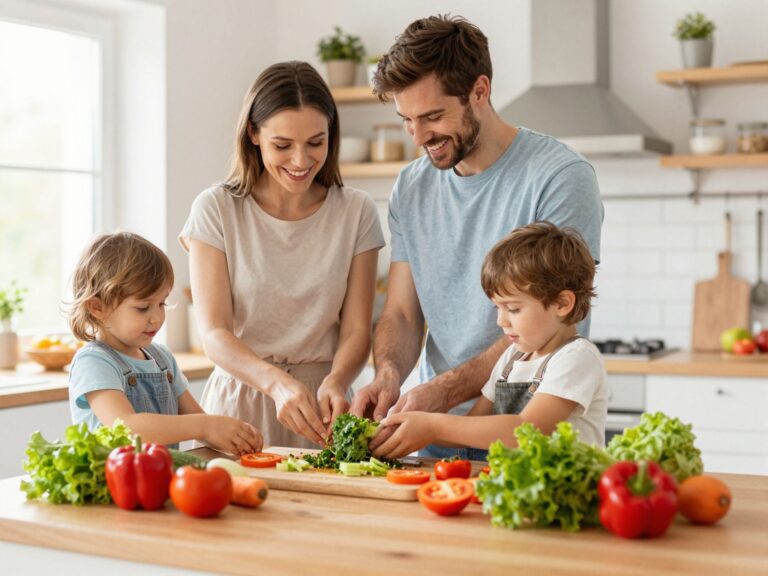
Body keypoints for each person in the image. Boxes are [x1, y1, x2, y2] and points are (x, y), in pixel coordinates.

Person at [349, 14, 604, 460]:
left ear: (479, 92)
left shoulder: (560, 177)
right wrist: (388, 376)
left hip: (526, 444)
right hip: (436, 439)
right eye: (407, 119)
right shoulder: (411, 187)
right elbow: (404, 314)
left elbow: (562, 321)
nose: (419, 136)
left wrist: (441, 397)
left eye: (432, 116)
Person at [179, 61, 384, 450]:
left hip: (324, 406)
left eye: (315, 143)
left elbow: (357, 329)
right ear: (254, 134)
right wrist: (275, 382)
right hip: (241, 402)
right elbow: (215, 334)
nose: (301, 161)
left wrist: (338, 381)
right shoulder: (216, 208)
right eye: (282, 145)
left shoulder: (356, 212)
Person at [372, 222, 608, 458]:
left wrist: (433, 425)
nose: (501, 321)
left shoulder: (575, 357)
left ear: (562, 304)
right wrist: (401, 427)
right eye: (497, 308)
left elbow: (526, 430)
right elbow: (472, 426)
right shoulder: (511, 358)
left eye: (513, 309)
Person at [67, 232, 263, 455]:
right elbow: (126, 429)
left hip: (159, 483)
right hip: (109, 487)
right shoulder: (93, 362)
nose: (157, 317)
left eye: (162, 303)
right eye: (143, 307)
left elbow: (199, 423)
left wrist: (231, 437)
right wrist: (206, 426)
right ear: (97, 308)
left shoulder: (162, 359)